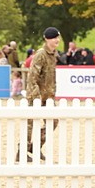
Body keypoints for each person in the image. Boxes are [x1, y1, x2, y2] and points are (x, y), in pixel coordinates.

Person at [20, 27, 62, 162]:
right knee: (30, 124)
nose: (57, 40)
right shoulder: (41, 54)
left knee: (53, 122)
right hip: (36, 95)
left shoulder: (53, 55)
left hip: (47, 96)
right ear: (47, 39)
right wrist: (36, 96)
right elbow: (32, 76)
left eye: (58, 37)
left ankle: (35, 147)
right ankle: (22, 151)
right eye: (54, 38)